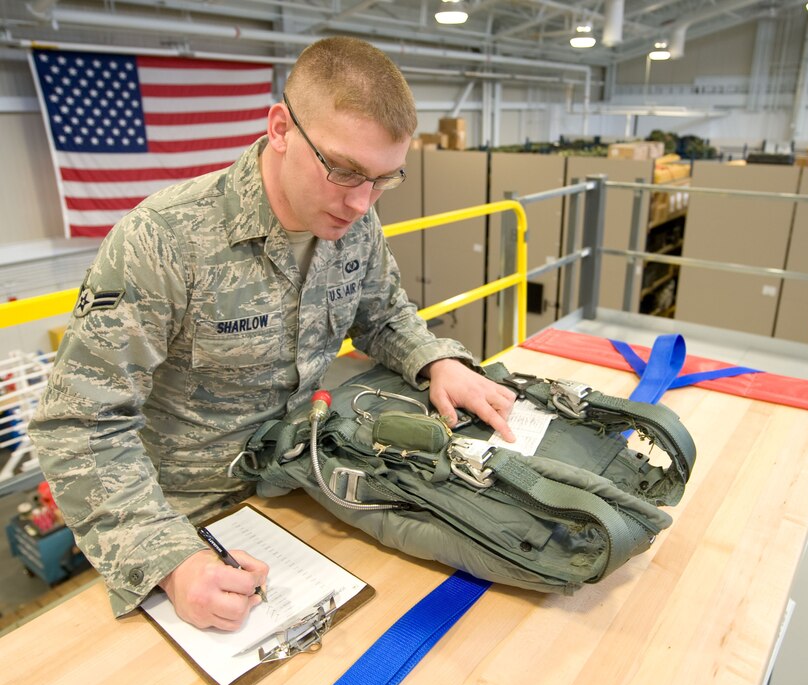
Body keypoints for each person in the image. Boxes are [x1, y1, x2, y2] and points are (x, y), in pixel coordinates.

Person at [28, 37, 516, 632]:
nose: (362, 202)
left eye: (384, 180)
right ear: (281, 128)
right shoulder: (163, 240)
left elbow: (382, 314)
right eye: (344, 170)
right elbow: (79, 426)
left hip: (305, 482)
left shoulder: (352, 221)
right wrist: (169, 559)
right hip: (186, 522)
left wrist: (437, 362)